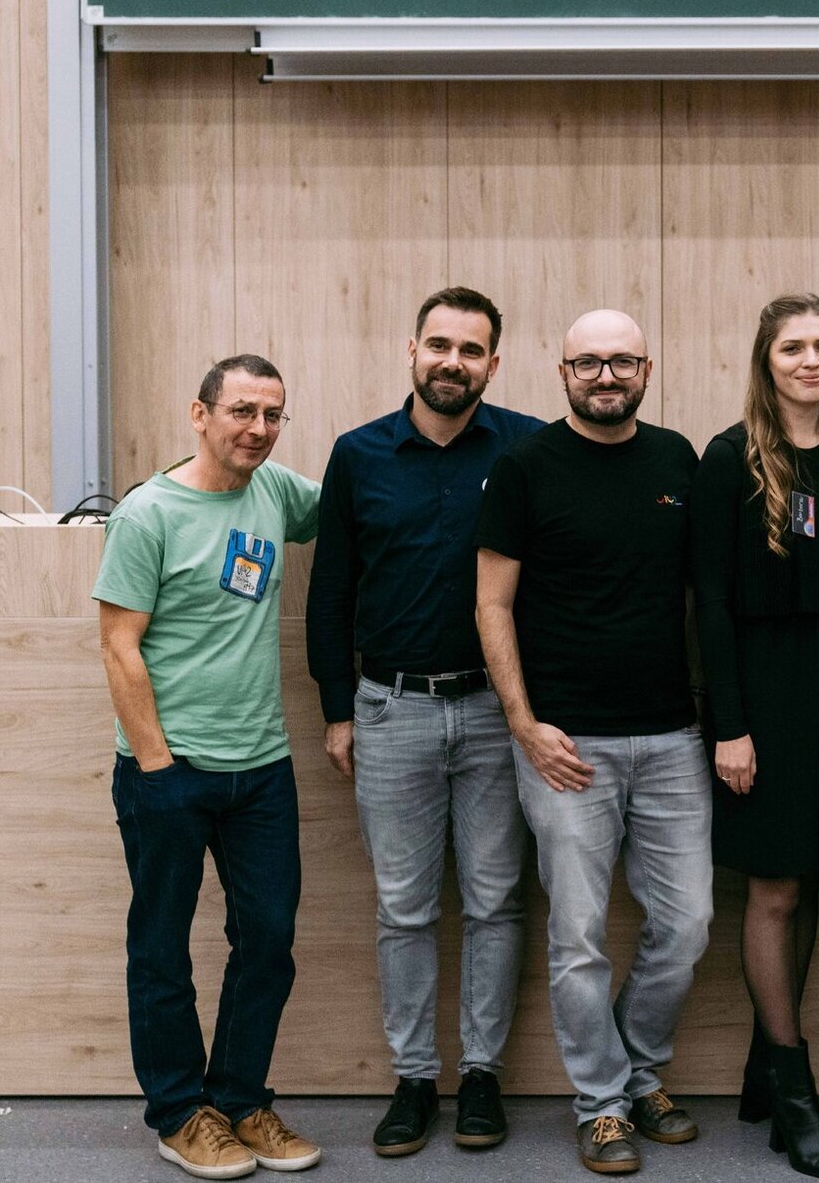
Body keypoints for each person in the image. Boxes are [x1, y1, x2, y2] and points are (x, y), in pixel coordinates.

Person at [306, 287, 544, 1157]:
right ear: (412, 351)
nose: (453, 361)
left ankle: (480, 1077)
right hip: (391, 710)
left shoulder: (526, 446)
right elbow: (330, 591)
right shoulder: (359, 454)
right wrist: (338, 711)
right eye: (438, 344)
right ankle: (413, 1079)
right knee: (403, 909)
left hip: (495, 713)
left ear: (493, 362)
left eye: (470, 349)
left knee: (495, 901)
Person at [474, 309, 712, 1177]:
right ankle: (605, 1104)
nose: (604, 377)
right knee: (578, 935)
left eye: (620, 362)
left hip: (671, 738)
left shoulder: (677, 460)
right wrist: (523, 724)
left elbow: (705, 594)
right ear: (562, 369)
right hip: (564, 745)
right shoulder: (524, 467)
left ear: (647, 367)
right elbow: (491, 603)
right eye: (588, 363)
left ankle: (637, 1067)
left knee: (687, 924)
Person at [94, 354, 324, 1179]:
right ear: (200, 415)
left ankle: (237, 1100)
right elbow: (119, 645)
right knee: (161, 948)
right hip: (170, 770)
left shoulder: (278, 493)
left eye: (272, 415)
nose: (257, 429)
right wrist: (157, 764)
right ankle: (178, 1114)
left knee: (267, 941)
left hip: (261, 769)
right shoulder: (149, 514)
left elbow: (355, 512)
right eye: (241, 412)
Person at [692, 293, 819, 1182]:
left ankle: (762, 1070)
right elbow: (709, 606)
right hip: (764, 702)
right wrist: (728, 726)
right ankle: (797, 1089)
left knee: (806, 881)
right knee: (772, 890)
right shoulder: (729, 459)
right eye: (792, 348)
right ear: (765, 361)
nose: (810, 360)